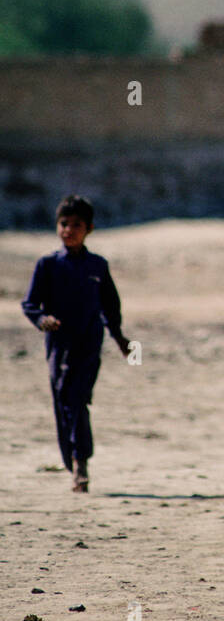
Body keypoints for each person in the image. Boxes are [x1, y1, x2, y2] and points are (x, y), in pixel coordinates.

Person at [22, 195, 132, 493]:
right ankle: (72, 458)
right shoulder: (47, 264)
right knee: (63, 398)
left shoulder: (98, 265)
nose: (69, 230)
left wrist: (121, 339)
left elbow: (110, 306)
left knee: (78, 398)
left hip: (89, 341)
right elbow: (30, 303)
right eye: (63, 224)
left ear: (90, 229)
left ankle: (80, 462)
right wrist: (42, 319)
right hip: (59, 343)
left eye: (76, 225)